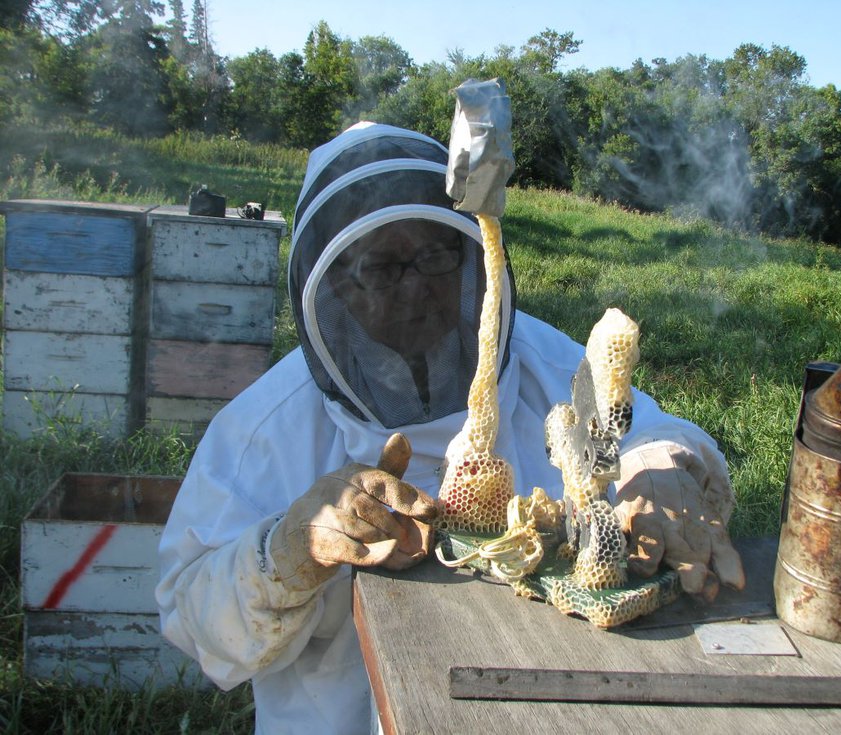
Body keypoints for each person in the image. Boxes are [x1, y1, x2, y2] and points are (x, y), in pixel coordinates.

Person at [156, 121, 740, 734]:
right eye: (380, 268)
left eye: (434, 255)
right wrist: (286, 551)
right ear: (333, 288)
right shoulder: (264, 428)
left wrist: (662, 465)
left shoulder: (551, 365)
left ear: (470, 260)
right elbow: (193, 622)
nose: (414, 288)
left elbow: (653, 432)